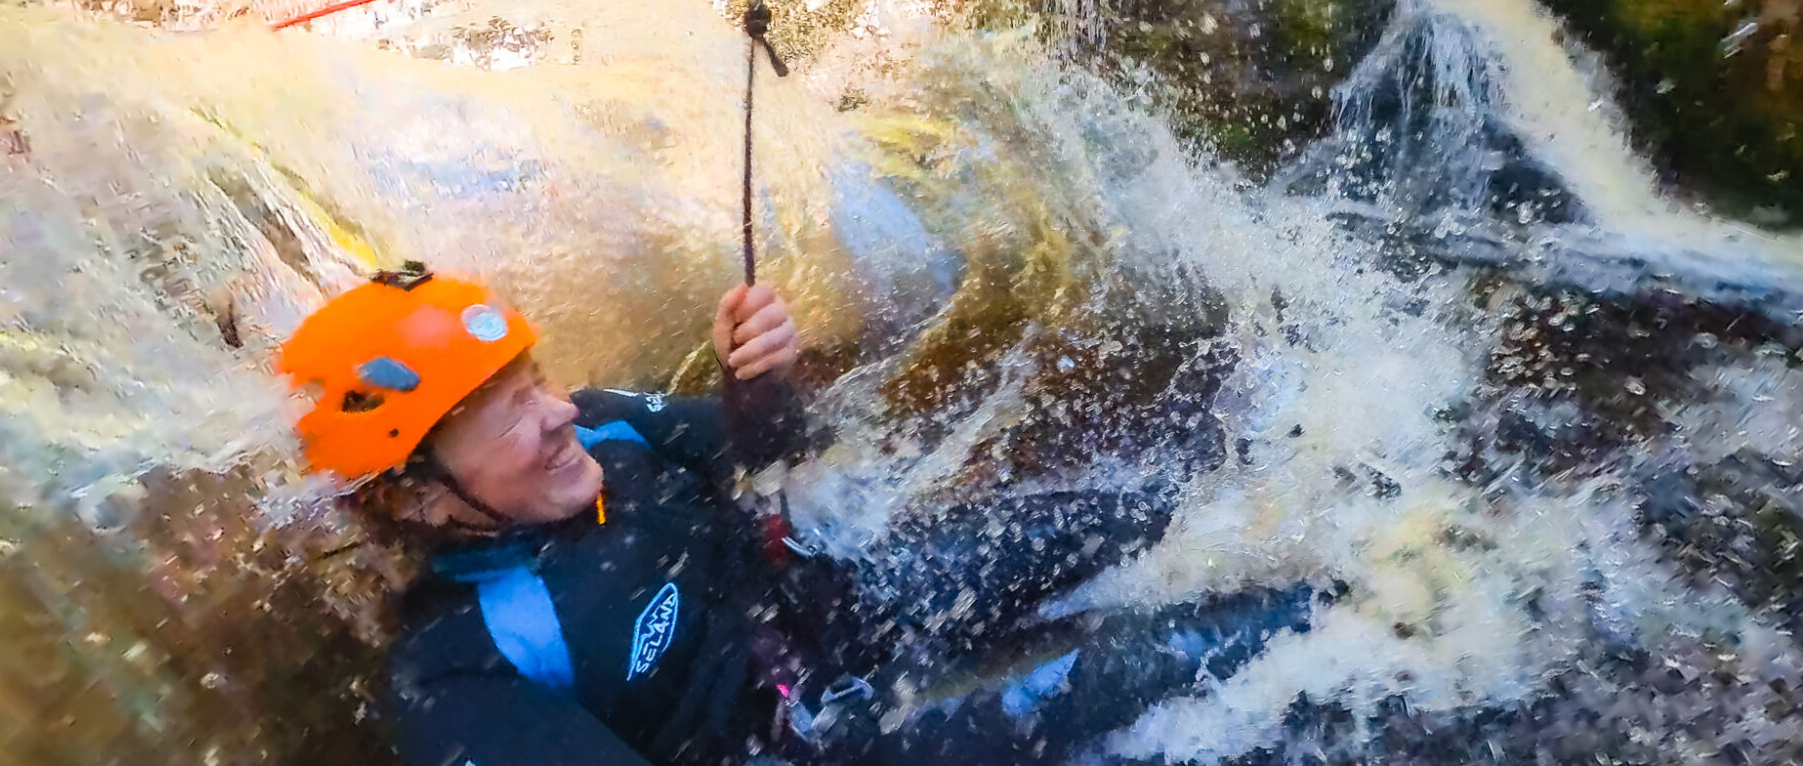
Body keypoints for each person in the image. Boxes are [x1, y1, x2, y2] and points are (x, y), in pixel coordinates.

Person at [283, 263, 1306, 766]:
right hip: (797, 745)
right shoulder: (460, 670)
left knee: (1102, 521)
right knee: (1129, 674)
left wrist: (760, 381)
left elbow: (782, 457)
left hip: (835, 608)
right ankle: (1375, 603)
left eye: (535, 380)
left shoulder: (605, 427)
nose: (559, 417)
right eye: (507, 415)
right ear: (416, 493)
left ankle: (1326, 514)